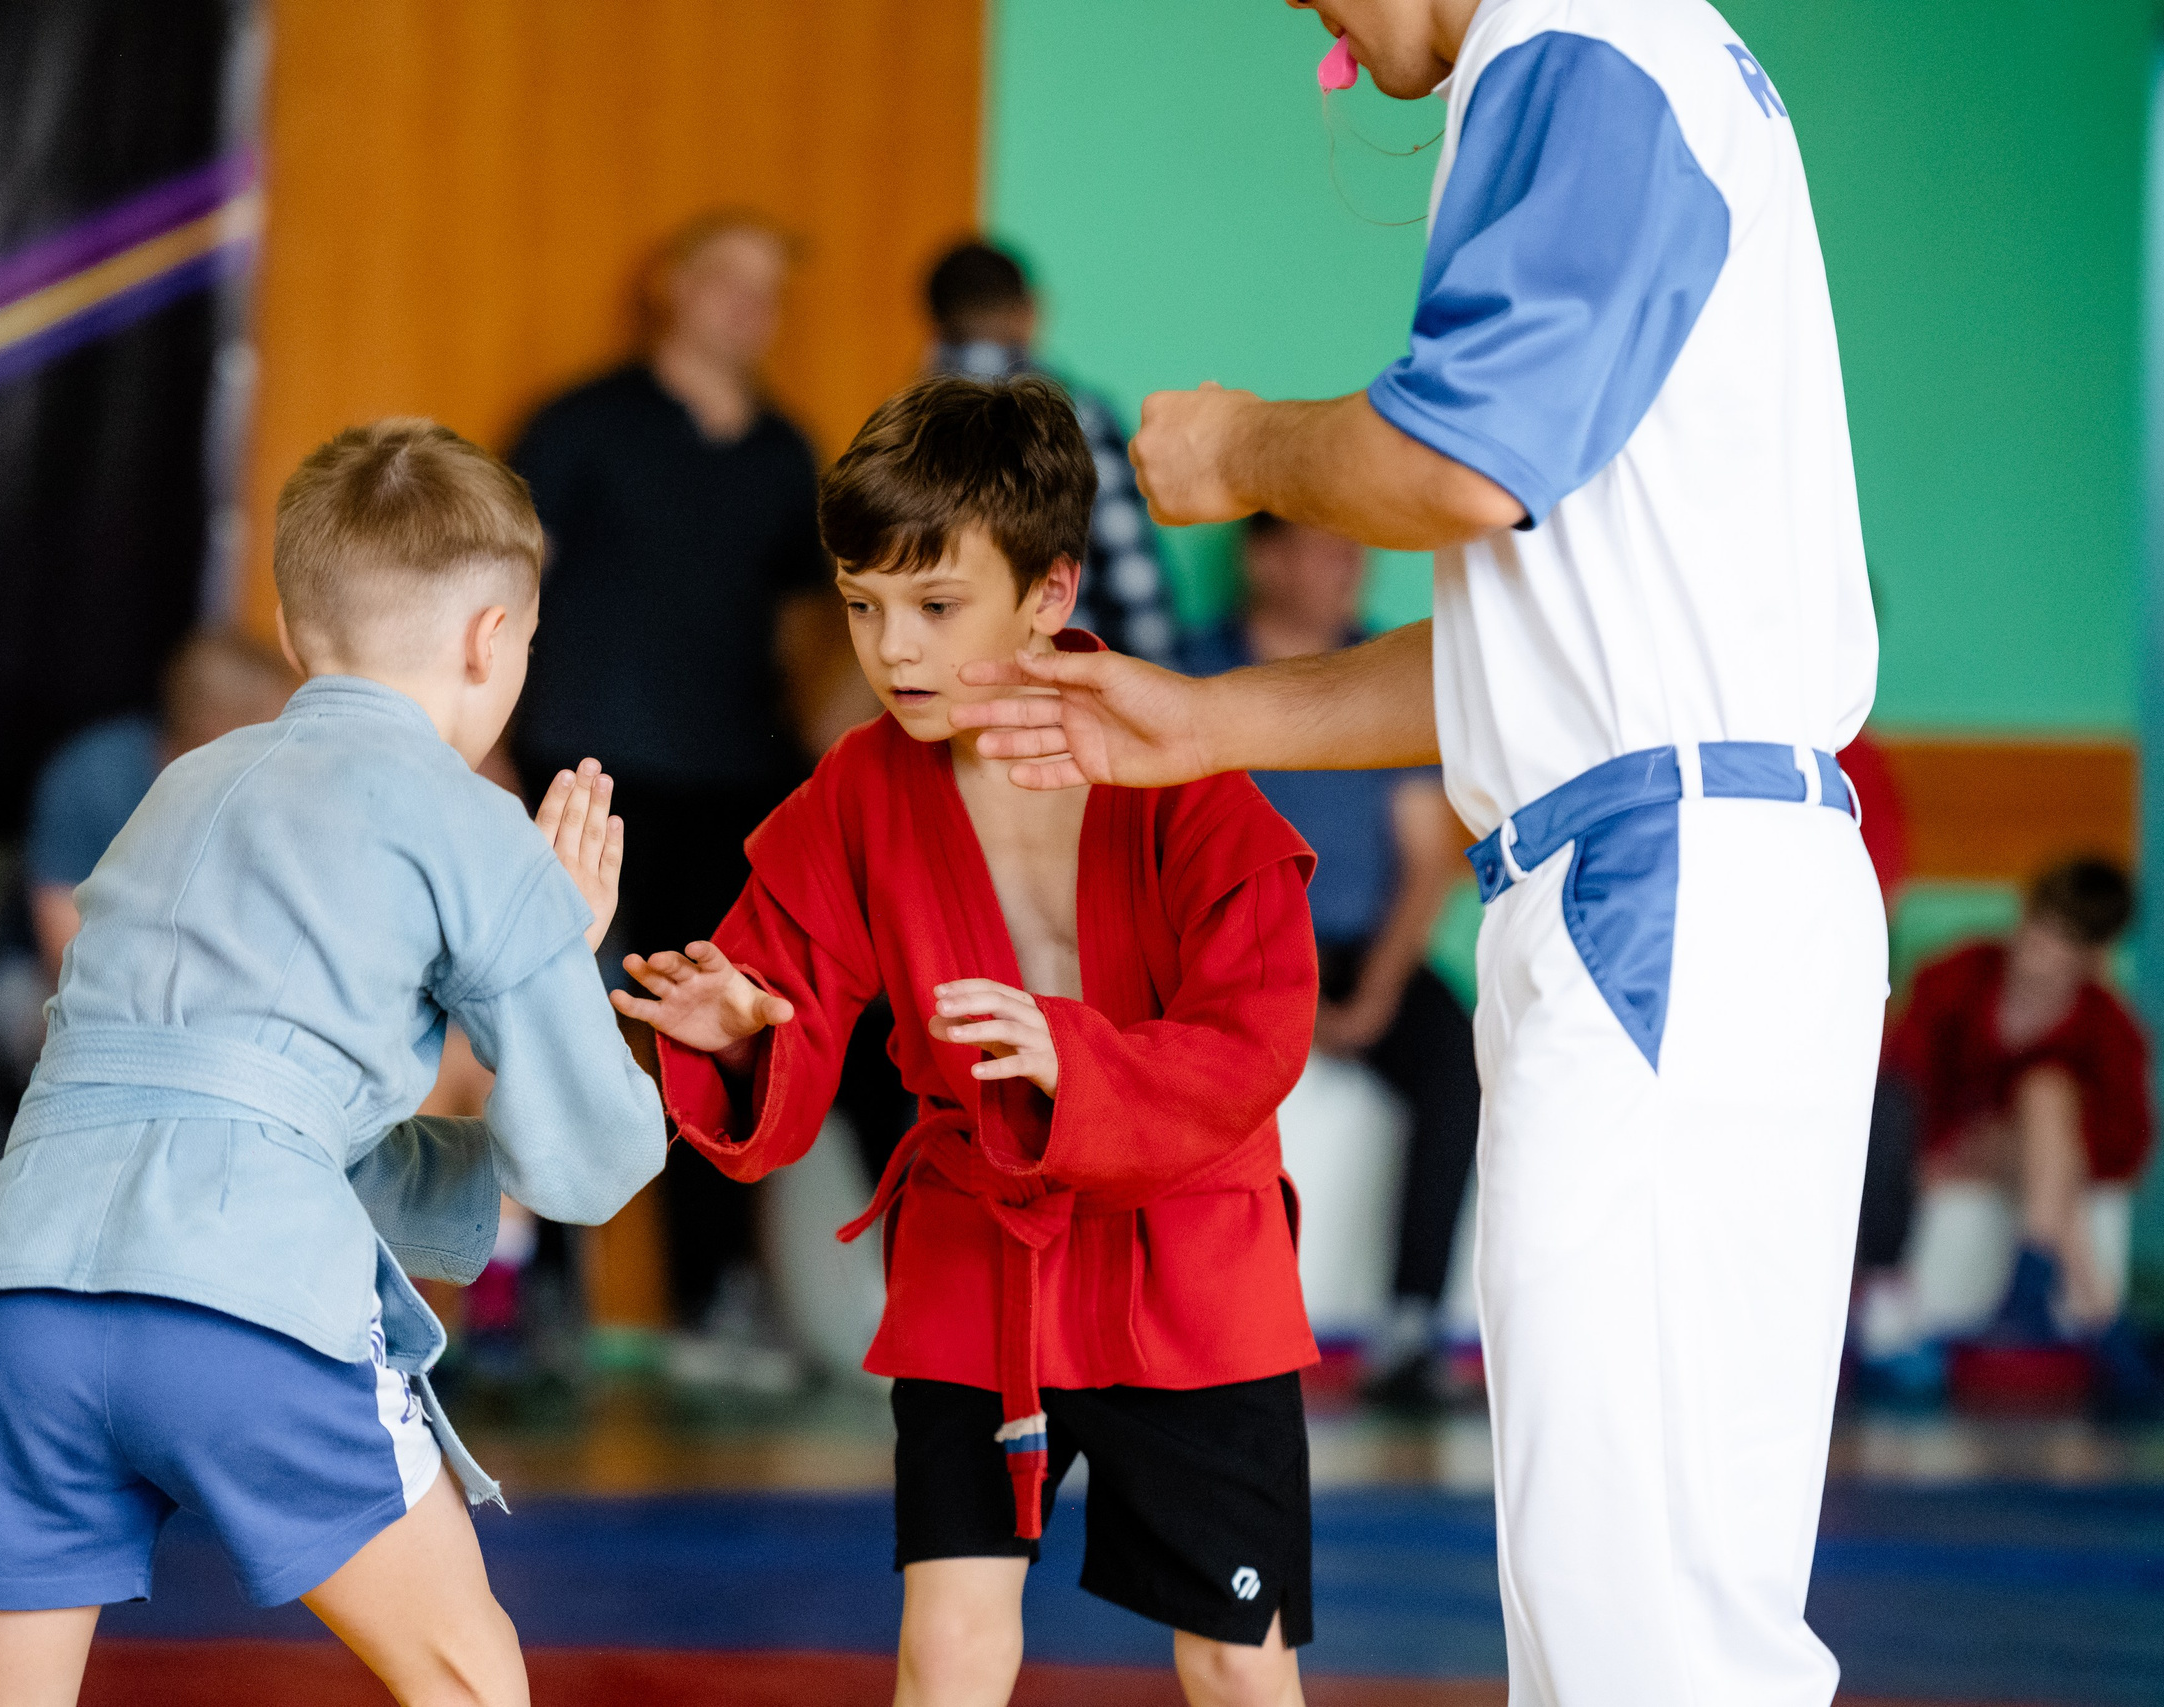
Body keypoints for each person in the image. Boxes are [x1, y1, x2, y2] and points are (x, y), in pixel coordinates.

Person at [952, 5, 1885, 1702]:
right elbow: (1540, 644)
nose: (1304, 9)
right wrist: (1215, 721)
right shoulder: (1636, 57)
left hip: (1656, 887)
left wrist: (1235, 450)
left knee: (1628, 1604)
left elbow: (1456, 461)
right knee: (1663, 1589)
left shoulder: (1580, 41)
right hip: (1695, 860)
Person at [0, 420, 666, 1707]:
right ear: (495, 638)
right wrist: (557, 945)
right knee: (474, 1681)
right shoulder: (473, 821)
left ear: (286, 620)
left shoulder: (176, 789)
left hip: (20, 1294)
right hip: (242, 1303)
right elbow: (587, 1168)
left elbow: (215, 1100)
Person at [617, 374, 1323, 1707]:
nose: (896, 650)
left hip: (1191, 1249)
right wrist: (732, 1028)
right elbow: (784, 993)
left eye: (938, 606)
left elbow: (1256, 1036)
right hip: (976, 1245)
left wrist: (1077, 1057)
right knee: (944, 1647)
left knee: (1237, 1655)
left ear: (1051, 593)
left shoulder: (1184, 762)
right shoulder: (858, 791)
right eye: (865, 605)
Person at [507, 210, 836, 1356]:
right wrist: (490, 752)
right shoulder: (578, 426)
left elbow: (821, 631)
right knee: (553, 1022)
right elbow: (507, 591)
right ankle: (543, 1298)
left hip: (737, 787)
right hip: (583, 776)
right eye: (728, 279)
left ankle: (716, 1303)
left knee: (720, 1036)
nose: (750, 305)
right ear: (670, 288)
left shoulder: (786, 453)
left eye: (769, 286)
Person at [1183, 514, 1476, 1407]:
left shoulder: (1387, 675)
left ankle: (1411, 1324)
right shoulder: (1192, 671)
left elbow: (1429, 860)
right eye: (1322, 545)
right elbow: (1167, 858)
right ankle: (1195, 1331)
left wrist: (1378, 994)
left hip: (1356, 951)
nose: (1351, 563)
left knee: (1456, 1059)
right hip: (1232, 950)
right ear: (1260, 558)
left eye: (1356, 544)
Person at [1860, 858, 2158, 1412]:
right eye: (2037, 925)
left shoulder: (2108, 1027)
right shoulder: (1955, 978)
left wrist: (2014, 1142)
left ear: (2091, 958)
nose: (2037, 946)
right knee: (2045, 1097)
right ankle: (2088, 1307)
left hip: (2035, 1160)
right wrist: (1952, 1151)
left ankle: (2043, 1287)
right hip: (1960, 1159)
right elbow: (1898, 1086)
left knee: (2046, 1094)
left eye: (2059, 939)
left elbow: (2126, 1145)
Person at [925, 239, 1181, 663]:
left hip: (951, 682)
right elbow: (1134, 583)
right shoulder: (1079, 418)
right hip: (1066, 681)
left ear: (934, 323)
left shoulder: (905, 425)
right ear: (1029, 312)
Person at [23, 629, 297, 985]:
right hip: (50, 987)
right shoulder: (91, 779)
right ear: (219, 732)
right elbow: (65, 958)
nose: (291, 748)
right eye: (277, 730)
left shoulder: (260, 797)